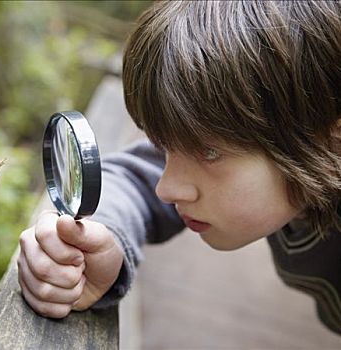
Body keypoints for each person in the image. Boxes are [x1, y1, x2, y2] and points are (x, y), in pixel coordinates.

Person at [17, 0, 341, 335]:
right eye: (165, 146)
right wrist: (103, 235)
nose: (166, 188)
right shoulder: (300, 142)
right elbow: (135, 180)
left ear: (332, 134)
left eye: (209, 152)